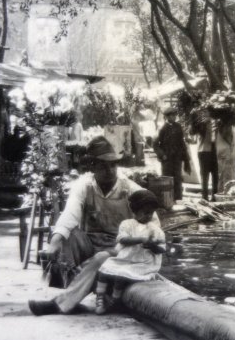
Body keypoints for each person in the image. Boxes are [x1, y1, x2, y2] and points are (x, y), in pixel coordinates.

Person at [28, 135, 157, 316]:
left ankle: (61, 304)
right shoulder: (84, 186)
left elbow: (154, 223)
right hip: (92, 243)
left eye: (113, 165)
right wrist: (54, 243)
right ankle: (75, 295)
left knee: (100, 258)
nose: (109, 170)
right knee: (67, 236)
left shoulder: (131, 189)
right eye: (103, 165)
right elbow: (70, 215)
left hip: (121, 247)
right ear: (92, 167)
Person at [94, 189, 166, 314]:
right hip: (125, 259)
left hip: (143, 262)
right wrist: (141, 239)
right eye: (145, 212)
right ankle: (99, 297)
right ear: (135, 211)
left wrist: (152, 246)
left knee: (121, 275)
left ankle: (115, 300)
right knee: (104, 269)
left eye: (151, 213)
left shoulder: (155, 230)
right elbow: (122, 239)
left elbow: (162, 249)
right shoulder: (127, 224)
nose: (149, 216)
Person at [152, 106, 191, 201]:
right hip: (167, 159)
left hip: (177, 157)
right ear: (167, 117)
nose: (174, 117)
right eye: (172, 115)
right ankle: (168, 200)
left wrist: (185, 157)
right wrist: (162, 155)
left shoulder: (178, 126)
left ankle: (178, 199)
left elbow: (181, 142)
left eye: (175, 115)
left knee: (178, 178)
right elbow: (155, 144)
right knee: (167, 179)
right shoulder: (162, 128)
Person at [197, 117, 219, 201]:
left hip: (215, 149)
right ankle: (204, 197)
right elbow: (194, 131)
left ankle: (214, 196)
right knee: (205, 175)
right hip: (204, 150)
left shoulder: (217, 121)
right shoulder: (201, 122)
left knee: (215, 174)